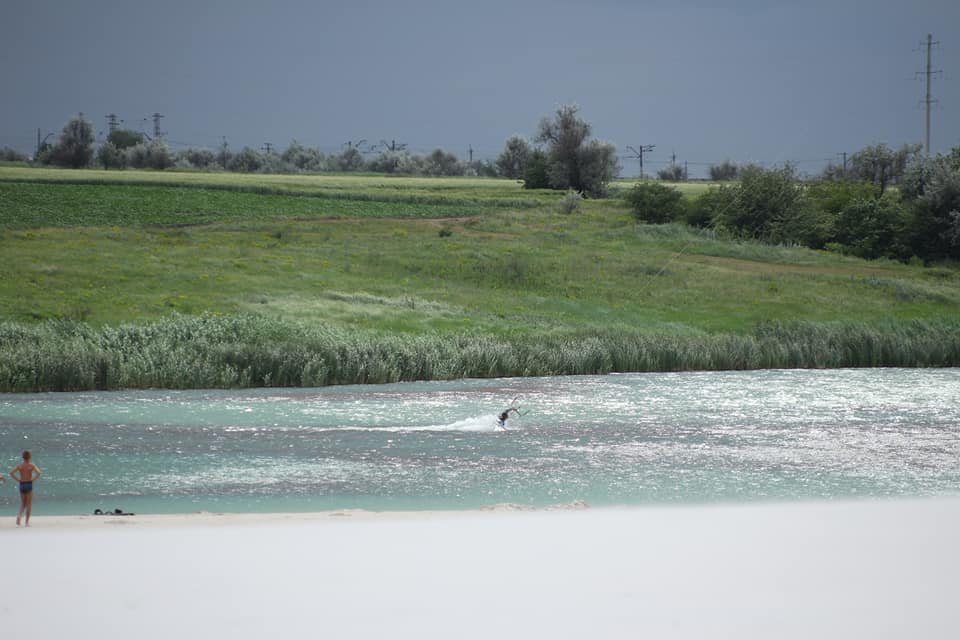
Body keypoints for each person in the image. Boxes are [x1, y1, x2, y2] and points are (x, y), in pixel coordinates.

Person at [10, 450, 42, 527]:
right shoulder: (31, 465)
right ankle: (26, 523)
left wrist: (18, 480)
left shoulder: (20, 466)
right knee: (29, 505)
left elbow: (11, 473)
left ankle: (19, 516)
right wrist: (33, 479)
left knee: (23, 504)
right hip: (28, 484)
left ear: (23, 457)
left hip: (22, 484)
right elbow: (39, 473)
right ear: (30, 457)